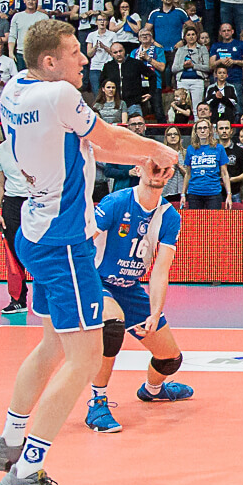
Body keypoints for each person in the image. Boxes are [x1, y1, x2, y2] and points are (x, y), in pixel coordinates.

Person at [0, 19, 178, 485]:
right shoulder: (59, 95)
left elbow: (93, 145)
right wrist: (157, 150)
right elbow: (105, 134)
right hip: (66, 243)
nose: (84, 60)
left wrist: (139, 159)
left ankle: (9, 439)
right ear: (50, 62)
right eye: (74, 52)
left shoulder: (15, 90)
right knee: (86, 358)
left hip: (33, 230)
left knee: (52, 344)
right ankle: (26, 475)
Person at [82, 163, 192, 434]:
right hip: (97, 280)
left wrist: (155, 312)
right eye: (152, 166)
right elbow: (82, 243)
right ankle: (97, 402)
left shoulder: (169, 216)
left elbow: (160, 270)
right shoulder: (115, 203)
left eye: (164, 169)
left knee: (170, 359)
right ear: (138, 169)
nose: (158, 172)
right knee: (112, 325)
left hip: (129, 288)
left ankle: (153, 390)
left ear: (170, 174)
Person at [0, 137, 31, 314]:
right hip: (12, 204)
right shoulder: (0, 151)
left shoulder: (38, 144)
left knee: (45, 249)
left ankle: (51, 298)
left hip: (37, 200)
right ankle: (18, 300)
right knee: (13, 252)